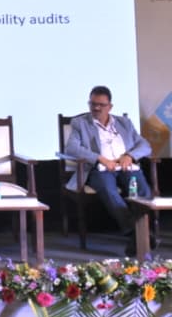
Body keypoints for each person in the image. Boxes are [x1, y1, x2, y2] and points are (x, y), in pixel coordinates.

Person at [63, 85, 153, 255]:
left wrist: (130, 155)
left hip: (126, 166)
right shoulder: (80, 123)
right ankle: (138, 234)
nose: (96, 108)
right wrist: (100, 158)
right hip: (100, 169)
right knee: (109, 191)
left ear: (110, 106)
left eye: (101, 105)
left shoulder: (124, 123)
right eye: (93, 104)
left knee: (143, 191)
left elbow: (145, 145)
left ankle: (140, 234)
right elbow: (72, 148)